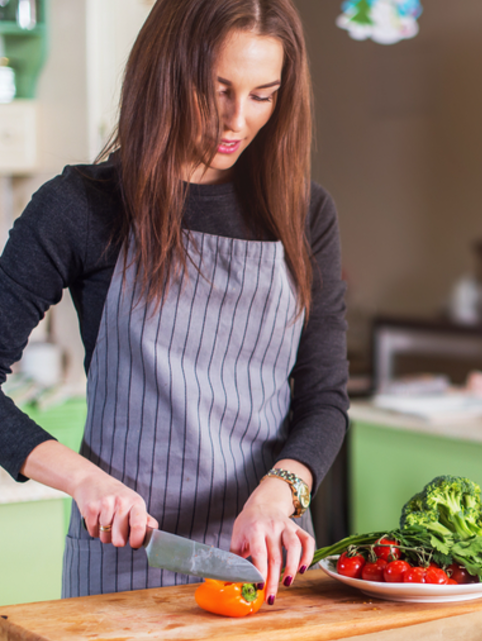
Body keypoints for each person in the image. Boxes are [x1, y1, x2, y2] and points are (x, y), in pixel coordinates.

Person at [0, 0, 349, 605]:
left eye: (263, 95)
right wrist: (84, 481)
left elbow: (324, 400)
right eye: (216, 90)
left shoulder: (304, 214)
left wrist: (279, 494)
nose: (236, 120)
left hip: (265, 568)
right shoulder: (81, 206)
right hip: (123, 566)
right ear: (165, 74)